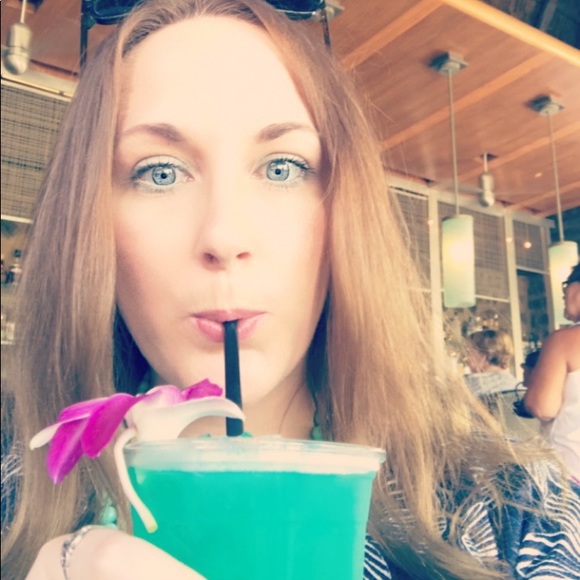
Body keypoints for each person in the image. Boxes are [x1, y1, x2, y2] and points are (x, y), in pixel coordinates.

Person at [1, 1, 579, 578]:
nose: (224, 236)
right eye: (160, 172)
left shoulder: (511, 510)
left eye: (282, 167)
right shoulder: (15, 491)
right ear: (90, 220)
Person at [523, 262, 580, 482]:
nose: (564, 294)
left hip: (570, 478)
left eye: (567, 285)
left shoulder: (564, 340)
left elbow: (542, 407)